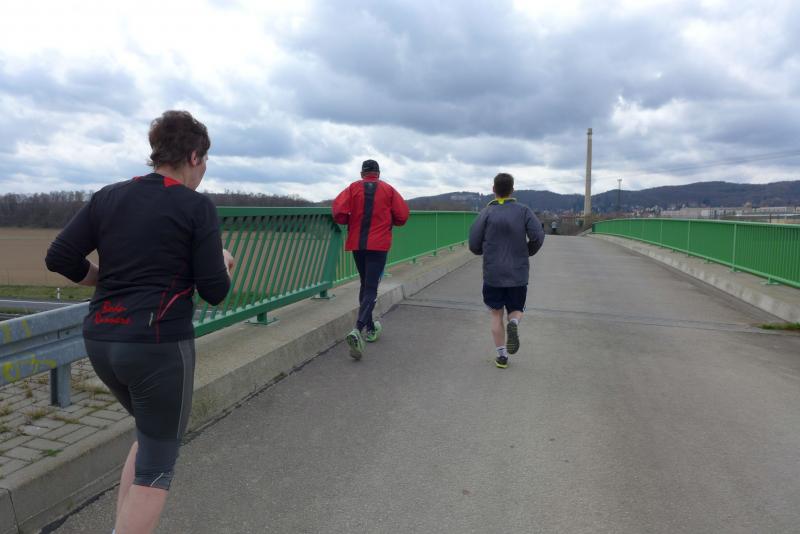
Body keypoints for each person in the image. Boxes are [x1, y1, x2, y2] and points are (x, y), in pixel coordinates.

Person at [45, 110, 234, 534]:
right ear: (193, 156)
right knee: (158, 466)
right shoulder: (196, 206)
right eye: (204, 160)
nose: (203, 169)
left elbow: (59, 256)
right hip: (157, 347)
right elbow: (215, 291)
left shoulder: (108, 196)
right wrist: (223, 263)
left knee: (148, 438)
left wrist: (102, 279)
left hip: (101, 339)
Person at [332, 159, 409, 360]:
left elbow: (338, 212)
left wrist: (349, 220)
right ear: (378, 173)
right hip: (379, 245)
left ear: (362, 173)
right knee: (371, 287)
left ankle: (370, 327)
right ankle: (357, 329)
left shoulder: (352, 188)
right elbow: (402, 216)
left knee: (365, 284)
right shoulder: (388, 190)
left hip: (357, 243)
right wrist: (388, 221)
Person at [468, 173, 545, 368]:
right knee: (516, 310)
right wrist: (527, 252)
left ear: (493, 189)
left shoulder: (486, 213)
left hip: (493, 273)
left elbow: (474, 243)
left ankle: (502, 357)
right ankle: (514, 323)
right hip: (517, 273)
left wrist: (483, 251)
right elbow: (538, 236)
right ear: (513, 190)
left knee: (496, 314)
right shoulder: (524, 211)